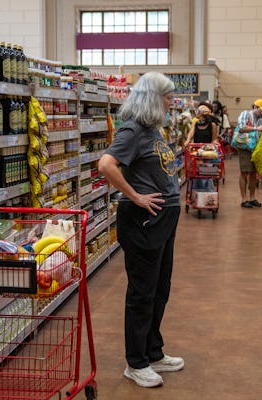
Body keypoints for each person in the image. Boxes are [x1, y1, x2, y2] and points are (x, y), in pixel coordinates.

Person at [98, 72, 184, 388]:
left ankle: (153, 351)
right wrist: (134, 196)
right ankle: (135, 363)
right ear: (152, 97)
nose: (172, 101)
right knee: (142, 292)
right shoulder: (132, 130)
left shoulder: (152, 129)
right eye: (168, 95)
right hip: (143, 222)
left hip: (163, 220)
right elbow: (106, 165)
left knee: (160, 289)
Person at [236, 102, 262, 208]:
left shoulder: (261, 120)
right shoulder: (245, 114)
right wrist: (256, 128)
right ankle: (244, 199)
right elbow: (241, 128)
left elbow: (261, 135)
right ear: (255, 107)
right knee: (244, 172)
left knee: (253, 173)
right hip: (244, 147)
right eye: (260, 110)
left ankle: (252, 198)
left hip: (255, 148)